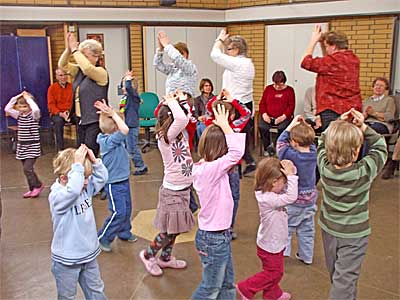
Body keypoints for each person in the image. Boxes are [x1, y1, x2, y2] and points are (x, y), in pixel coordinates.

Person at [317, 108, 387, 300]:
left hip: (329, 230)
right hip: (354, 236)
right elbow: (381, 147)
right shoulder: (364, 171)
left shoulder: (324, 168)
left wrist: (337, 123)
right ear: (356, 152)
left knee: (338, 276)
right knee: (344, 280)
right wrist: (364, 126)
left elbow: (321, 141)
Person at [192, 104, 246, 300]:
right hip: (214, 239)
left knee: (227, 283)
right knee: (210, 288)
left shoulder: (206, 167)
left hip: (219, 236)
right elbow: (236, 152)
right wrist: (225, 126)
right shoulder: (210, 170)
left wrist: (225, 126)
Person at [139, 92, 195, 277]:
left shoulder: (177, 133)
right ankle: (148, 255)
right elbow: (181, 117)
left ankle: (165, 258)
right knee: (167, 232)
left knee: (175, 230)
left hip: (183, 190)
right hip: (173, 193)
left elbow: (184, 115)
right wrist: (171, 101)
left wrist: (180, 100)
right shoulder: (165, 136)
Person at [49, 144, 108, 300]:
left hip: (88, 256)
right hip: (66, 261)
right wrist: (77, 167)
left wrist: (95, 162)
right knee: (67, 296)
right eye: (84, 178)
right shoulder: (58, 196)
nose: (88, 182)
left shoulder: (84, 189)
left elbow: (102, 179)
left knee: (97, 291)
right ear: (64, 178)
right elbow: (73, 190)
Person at [236, 158, 298, 300]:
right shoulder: (268, 199)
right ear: (274, 182)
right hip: (270, 245)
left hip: (273, 241)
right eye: (284, 182)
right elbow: (291, 197)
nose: (286, 185)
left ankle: (273, 294)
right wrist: (292, 177)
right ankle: (246, 288)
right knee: (274, 273)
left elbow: (288, 191)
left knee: (274, 271)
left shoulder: (271, 193)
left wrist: (290, 171)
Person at [205, 89, 251, 240]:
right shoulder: (235, 126)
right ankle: (229, 226)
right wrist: (232, 100)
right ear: (231, 115)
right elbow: (246, 113)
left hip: (214, 169)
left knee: (215, 196)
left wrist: (215, 99)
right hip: (231, 169)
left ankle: (217, 225)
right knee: (234, 197)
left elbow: (207, 108)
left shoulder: (210, 124)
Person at [211, 29, 256, 175]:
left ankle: (234, 169)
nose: (227, 51)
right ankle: (248, 161)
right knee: (240, 136)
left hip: (237, 104)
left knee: (232, 136)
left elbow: (215, 55)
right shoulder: (247, 63)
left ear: (237, 49)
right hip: (244, 103)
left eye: (229, 49)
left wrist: (219, 40)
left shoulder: (239, 63)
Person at [95, 100, 138, 252]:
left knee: (126, 209)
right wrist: (113, 114)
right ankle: (103, 237)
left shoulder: (113, 137)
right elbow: (125, 129)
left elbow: (122, 127)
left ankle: (124, 232)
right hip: (114, 184)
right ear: (115, 128)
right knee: (118, 212)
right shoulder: (108, 141)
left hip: (123, 180)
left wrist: (111, 112)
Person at [301, 25, 362, 131]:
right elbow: (328, 61)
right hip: (352, 110)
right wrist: (322, 43)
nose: (326, 49)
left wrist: (313, 40)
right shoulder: (354, 59)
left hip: (332, 110)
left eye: (327, 46)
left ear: (333, 46)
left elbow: (305, 62)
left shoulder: (333, 61)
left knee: (333, 143)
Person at [58, 32, 109, 155]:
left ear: (96, 56)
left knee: (89, 153)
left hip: (94, 121)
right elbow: (62, 65)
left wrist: (75, 50)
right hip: (81, 119)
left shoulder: (101, 73)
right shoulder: (79, 71)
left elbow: (87, 68)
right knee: (81, 153)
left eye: (85, 56)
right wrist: (69, 49)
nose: (82, 59)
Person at [276, 116, 317, 265]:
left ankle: (284, 253)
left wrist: (291, 125)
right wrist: (306, 128)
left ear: (294, 142)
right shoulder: (313, 153)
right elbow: (310, 143)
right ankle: (307, 256)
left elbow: (280, 142)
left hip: (292, 201)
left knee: (286, 228)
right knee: (307, 230)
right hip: (310, 201)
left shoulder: (290, 155)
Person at [154, 30, 198, 151]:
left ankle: (184, 155)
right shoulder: (173, 69)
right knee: (170, 134)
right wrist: (161, 49)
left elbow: (179, 59)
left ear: (186, 55)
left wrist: (167, 45)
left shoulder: (190, 67)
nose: (176, 56)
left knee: (182, 134)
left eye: (180, 53)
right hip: (171, 104)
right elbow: (158, 65)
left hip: (183, 104)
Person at [4, 91, 44, 198]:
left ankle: (38, 185)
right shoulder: (19, 115)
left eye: (25, 106)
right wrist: (18, 96)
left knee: (28, 168)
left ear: (29, 106)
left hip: (32, 146)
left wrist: (28, 98)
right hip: (22, 146)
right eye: (20, 107)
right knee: (26, 170)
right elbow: (7, 109)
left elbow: (36, 109)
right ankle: (32, 188)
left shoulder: (34, 116)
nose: (22, 109)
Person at [258, 71, 295, 157]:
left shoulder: (289, 90)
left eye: (280, 84)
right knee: (262, 127)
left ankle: (279, 146)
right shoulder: (268, 89)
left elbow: (291, 106)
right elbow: (262, 104)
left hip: (283, 118)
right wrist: (264, 115)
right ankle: (267, 147)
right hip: (269, 117)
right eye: (276, 84)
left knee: (283, 128)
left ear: (284, 82)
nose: (278, 87)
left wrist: (283, 117)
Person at [121, 70, 148, 175]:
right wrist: (125, 77)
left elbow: (128, 88)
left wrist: (128, 78)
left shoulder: (134, 97)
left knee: (132, 148)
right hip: (127, 125)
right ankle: (128, 167)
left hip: (132, 126)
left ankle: (141, 166)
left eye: (124, 85)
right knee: (128, 148)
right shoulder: (126, 98)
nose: (123, 87)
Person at [47, 68, 73, 151]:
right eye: (61, 75)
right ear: (57, 77)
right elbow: (51, 105)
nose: (63, 77)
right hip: (57, 113)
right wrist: (60, 113)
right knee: (58, 122)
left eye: (65, 75)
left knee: (80, 120)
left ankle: (80, 146)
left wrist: (68, 112)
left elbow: (73, 102)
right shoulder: (52, 88)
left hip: (69, 112)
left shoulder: (71, 87)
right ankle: (60, 149)